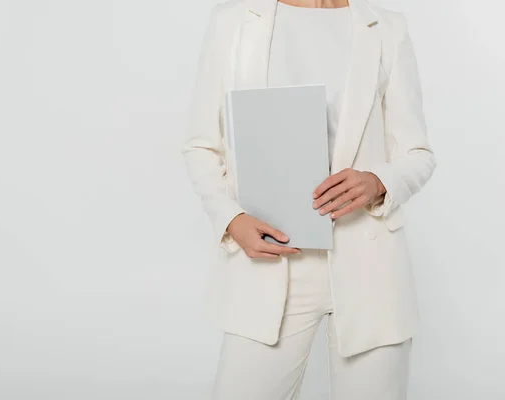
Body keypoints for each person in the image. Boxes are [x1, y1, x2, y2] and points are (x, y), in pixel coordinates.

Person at [181, 0, 436, 398]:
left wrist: (378, 180)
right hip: (271, 257)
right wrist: (230, 219)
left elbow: (418, 155)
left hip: (370, 266)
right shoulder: (234, 22)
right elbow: (201, 146)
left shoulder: (386, 28)